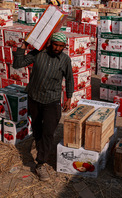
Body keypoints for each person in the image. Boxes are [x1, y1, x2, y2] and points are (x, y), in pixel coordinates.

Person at [13, 32, 74, 181]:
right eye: (55, 44)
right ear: (50, 43)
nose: (57, 48)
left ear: (64, 47)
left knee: (48, 131)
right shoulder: (38, 53)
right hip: (34, 97)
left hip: (52, 101)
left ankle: (40, 163)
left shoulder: (65, 60)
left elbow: (69, 79)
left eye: (61, 46)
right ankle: (38, 144)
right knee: (37, 128)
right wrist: (24, 45)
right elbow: (17, 64)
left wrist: (69, 97)